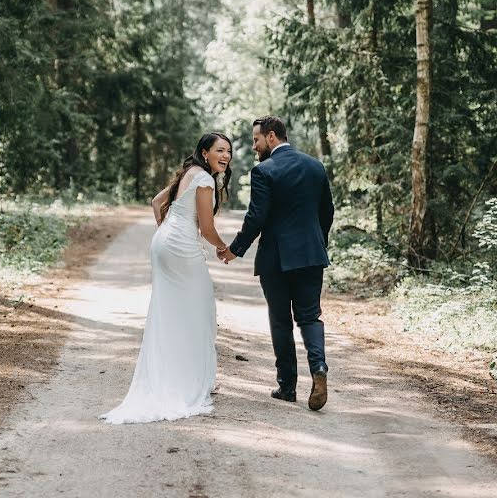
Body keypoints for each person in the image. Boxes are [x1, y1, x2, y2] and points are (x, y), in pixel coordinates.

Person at [100, 132, 233, 424]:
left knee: (171, 312)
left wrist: (168, 229)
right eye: (220, 150)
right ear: (205, 152)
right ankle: (190, 380)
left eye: (229, 151)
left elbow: (156, 201)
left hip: (163, 244)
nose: (226, 156)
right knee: (199, 310)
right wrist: (226, 249)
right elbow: (208, 230)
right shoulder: (205, 180)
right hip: (181, 249)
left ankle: (179, 375)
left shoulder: (190, 173)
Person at [218, 116, 334, 411]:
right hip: (311, 255)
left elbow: (256, 217)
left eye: (256, 140)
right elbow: (327, 213)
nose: (254, 147)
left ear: (271, 137)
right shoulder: (315, 166)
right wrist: (317, 244)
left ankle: (287, 387)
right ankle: (318, 367)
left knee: (281, 321)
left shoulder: (264, 171)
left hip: (277, 259)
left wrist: (235, 249)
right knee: (310, 316)